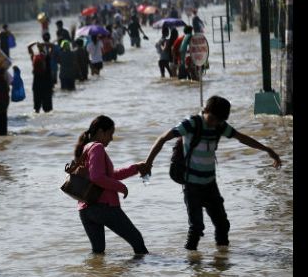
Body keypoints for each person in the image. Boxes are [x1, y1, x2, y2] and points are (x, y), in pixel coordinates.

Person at [142, 96, 282, 251]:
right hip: (192, 185)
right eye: (212, 118)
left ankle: (222, 260)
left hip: (210, 184)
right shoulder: (191, 123)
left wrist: (267, 150)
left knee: (223, 224)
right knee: (196, 228)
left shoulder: (220, 126)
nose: (214, 123)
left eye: (219, 121)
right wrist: (148, 163)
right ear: (205, 111)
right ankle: (191, 264)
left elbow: (241, 138)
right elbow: (162, 139)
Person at [72, 115, 150, 256]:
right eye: (110, 134)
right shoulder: (98, 148)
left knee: (98, 252)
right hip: (103, 207)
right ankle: (143, 274)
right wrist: (121, 187)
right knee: (137, 241)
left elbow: (107, 176)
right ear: (101, 132)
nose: (112, 139)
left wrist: (135, 168)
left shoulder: (86, 148)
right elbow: (97, 177)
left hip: (85, 209)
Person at [27, 41, 54, 113]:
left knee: (36, 108)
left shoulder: (34, 57)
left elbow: (29, 47)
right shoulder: (47, 57)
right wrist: (44, 44)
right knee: (47, 109)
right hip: (47, 84)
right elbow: (52, 46)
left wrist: (35, 43)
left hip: (37, 84)